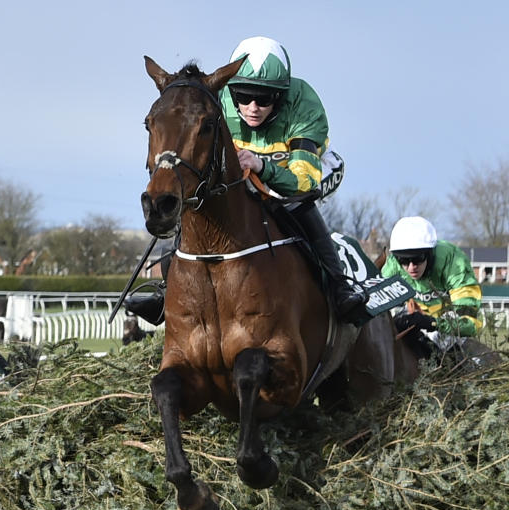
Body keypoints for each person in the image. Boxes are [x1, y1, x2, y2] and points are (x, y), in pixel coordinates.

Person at [124, 35, 365, 326]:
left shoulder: (303, 104)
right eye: (243, 97)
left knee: (295, 204)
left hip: (303, 169)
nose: (253, 107)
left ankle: (340, 287)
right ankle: (168, 291)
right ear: (231, 91)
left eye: (264, 99)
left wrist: (262, 165)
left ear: (281, 95)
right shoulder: (216, 99)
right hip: (245, 168)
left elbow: (303, 182)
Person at [380, 216, 484, 359]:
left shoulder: (454, 262)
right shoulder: (393, 265)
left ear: (430, 253)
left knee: (440, 339)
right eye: (404, 260)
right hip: (415, 315)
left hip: (448, 321)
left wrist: (432, 322)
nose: (411, 267)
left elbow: (470, 323)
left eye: (418, 259)